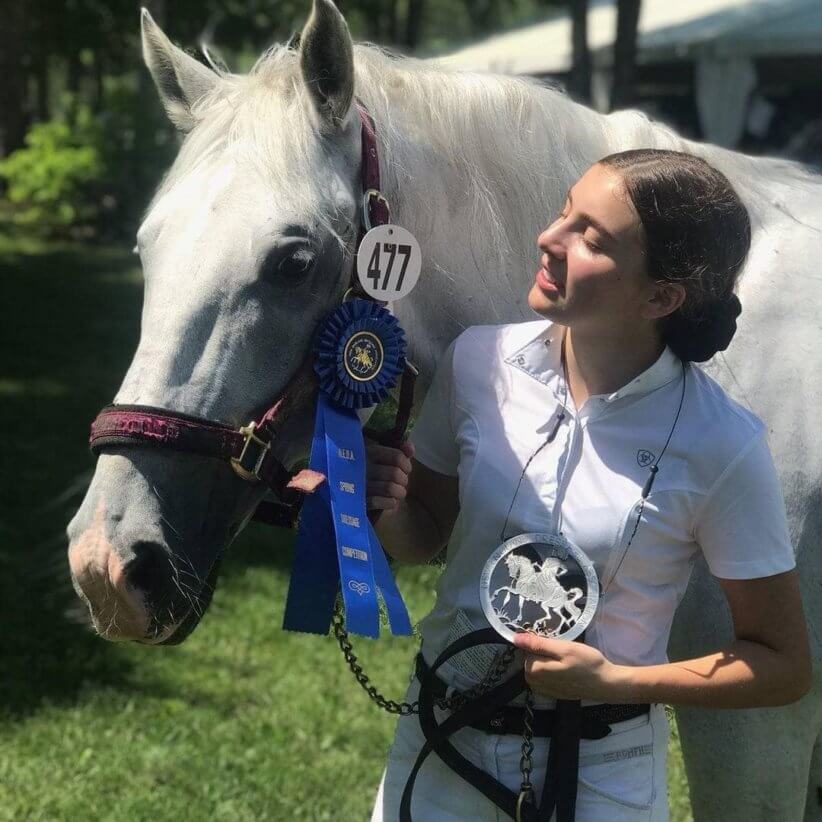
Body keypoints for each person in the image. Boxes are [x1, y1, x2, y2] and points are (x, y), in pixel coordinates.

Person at [366, 149, 811, 822]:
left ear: (660, 296)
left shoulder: (724, 444)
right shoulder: (478, 361)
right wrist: (388, 509)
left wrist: (615, 680)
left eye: (590, 237)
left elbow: (780, 664)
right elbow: (424, 532)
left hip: (603, 774)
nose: (550, 238)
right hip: (438, 744)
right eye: (564, 211)